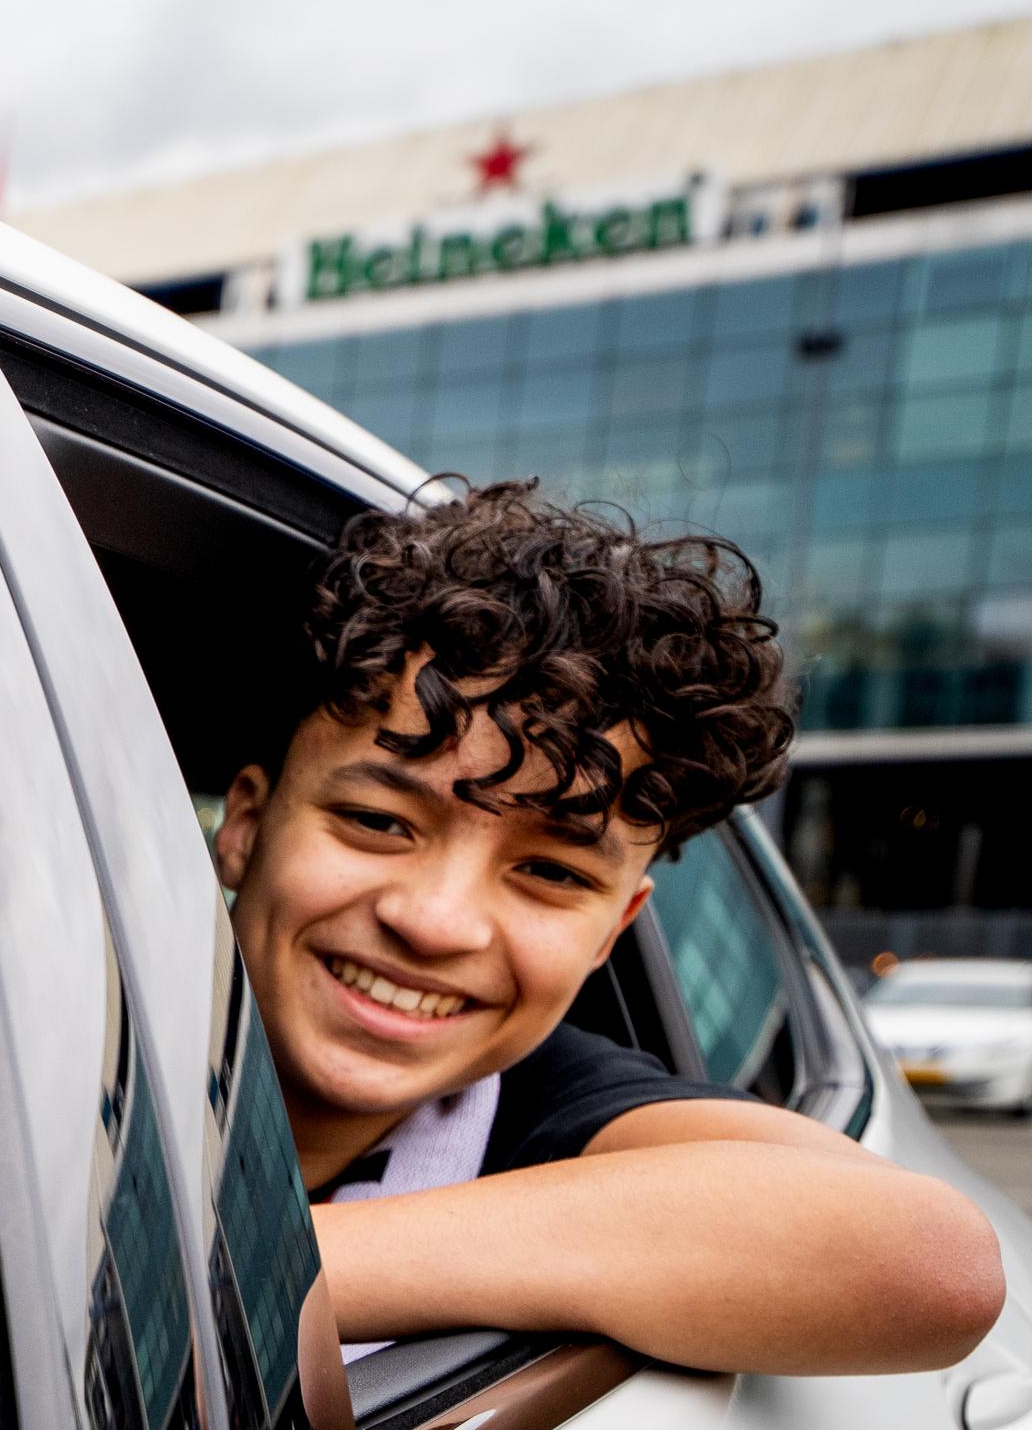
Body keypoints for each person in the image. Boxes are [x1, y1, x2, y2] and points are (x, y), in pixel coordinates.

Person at [218, 480, 1003, 1374]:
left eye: (550, 872)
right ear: (244, 828)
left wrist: (248, 1278)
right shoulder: (48, 1026)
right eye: (378, 823)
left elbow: (931, 1262)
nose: (435, 923)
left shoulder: (555, 1117)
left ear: (609, 934)